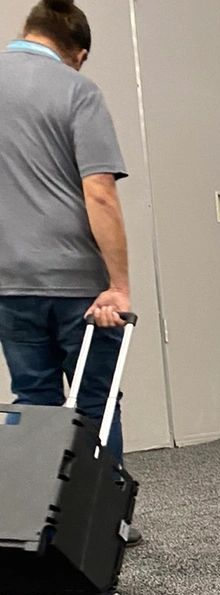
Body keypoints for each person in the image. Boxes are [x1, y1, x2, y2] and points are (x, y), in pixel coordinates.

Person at [0, 1, 131, 462]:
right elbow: (99, 193)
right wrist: (118, 285)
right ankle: (101, 522)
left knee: (33, 403)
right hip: (78, 285)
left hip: (10, 283)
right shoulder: (78, 91)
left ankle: (37, 524)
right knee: (95, 402)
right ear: (79, 52)